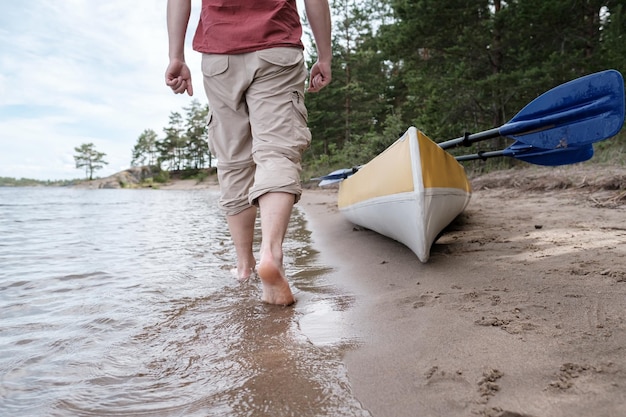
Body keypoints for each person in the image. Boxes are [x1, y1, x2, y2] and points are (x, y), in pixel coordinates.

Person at [165, 0, 332, 306]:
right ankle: (271, 254)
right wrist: (325, 56)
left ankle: (244, 267)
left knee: (233, 162)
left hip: (219, 54)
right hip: (276, 47)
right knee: (277, 152)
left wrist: (176, 56)